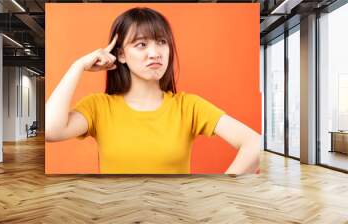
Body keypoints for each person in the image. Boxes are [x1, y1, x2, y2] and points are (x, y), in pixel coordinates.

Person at [46, 7, 261, 175]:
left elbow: (254, 143)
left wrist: (221, 193)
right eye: (141, 44)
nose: (155, 53)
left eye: (161, 42)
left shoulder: (188, 107)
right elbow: (50, 130)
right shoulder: (98, 107)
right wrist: (77, 66)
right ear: (121, 54)